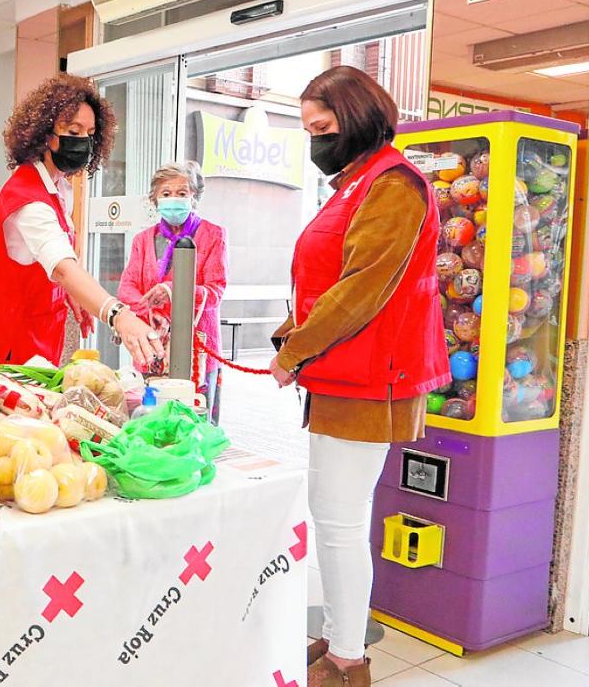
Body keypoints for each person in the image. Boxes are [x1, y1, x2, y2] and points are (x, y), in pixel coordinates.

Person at [270, 66, 449, 687]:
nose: (315, 142)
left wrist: (293, 353)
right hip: (342, 375)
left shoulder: (394, 186)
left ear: (356, 116)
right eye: (308, 131)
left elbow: (360, 292)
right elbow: (324, 280)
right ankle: (342, 638)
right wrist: (290, 333)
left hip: (372, 378)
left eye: (322, 128)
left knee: (341, 520)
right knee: (333, 514)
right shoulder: (355, 184)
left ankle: (349, 661)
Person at [0, 74, 164, 369]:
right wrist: (118, 315)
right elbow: (61, 267)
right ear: (45, 134)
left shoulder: (58, 188)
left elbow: (51, 265)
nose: (83, 141)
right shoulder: (26, 198)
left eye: (90, 133)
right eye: (73, 130)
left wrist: (75, 296)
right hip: (7, 347)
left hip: (39, 337)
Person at [117, 161, 228, 418]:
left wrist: (171, 290)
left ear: (194, 197)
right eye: (166, 194)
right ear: (155, 199)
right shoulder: (143, 240)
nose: (173, 199)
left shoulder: (213, 235)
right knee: (152, 418)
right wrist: (150, 314)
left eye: (182, 193)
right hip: (153, 343)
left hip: (198, 346)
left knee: (195, 419)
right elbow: (127, 287)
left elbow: (216, 290)